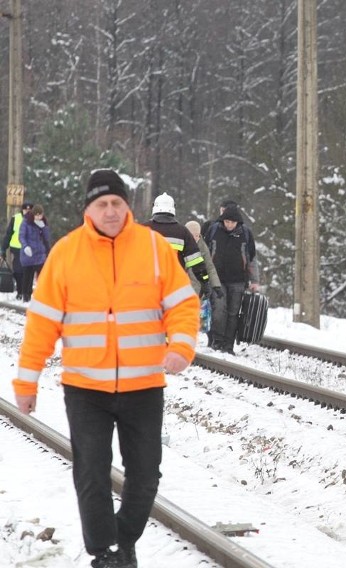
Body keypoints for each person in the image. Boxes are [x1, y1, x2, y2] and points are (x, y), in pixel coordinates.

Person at [12, 169, 200, 568]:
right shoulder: (66, 253)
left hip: (144, 385)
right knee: (92, 473)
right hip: (86, 388)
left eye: (117, 202)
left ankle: (124, 538)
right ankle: (105, 552)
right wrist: (27, 381)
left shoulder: (154, 248)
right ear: (89, 210)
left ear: (127, 206)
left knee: (146, 474)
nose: (111, 211)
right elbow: (42, 323)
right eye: (102, 204)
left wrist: (181, 346)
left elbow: (183, 304)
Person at [205, 204, 260, 354]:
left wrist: (254, 280)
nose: (229, 225)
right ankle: (217, 341)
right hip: (217, 279)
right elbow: (206, 253)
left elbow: (252, 258)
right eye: (226, 222)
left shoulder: (246, 234)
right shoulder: (214, 230)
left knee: (233, 313)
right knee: (219, 309)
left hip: (238, 280)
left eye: (232, 222)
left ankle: (228, 345)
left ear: (238, 222)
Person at [142, 193, 218, 299]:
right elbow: (196, 262)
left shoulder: (142, 230)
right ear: (173, 208)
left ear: (154, 207)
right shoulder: (183, 232)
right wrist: (205, 283)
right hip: (174, 286)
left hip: (147, 284)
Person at [17, 204, 51, 303]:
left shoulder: (43, 222)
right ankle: (26, 296)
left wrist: (43, 227)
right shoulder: (26, 222)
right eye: (36, 215)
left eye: (40, 215)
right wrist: (25, 246)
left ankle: (41, 296)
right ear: (33, 214)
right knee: (28, 276)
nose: (38, 217)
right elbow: (21, 236)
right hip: (28, 254)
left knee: (42, 276)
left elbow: (47, 238)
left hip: (40, 254)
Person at [1, 201, 33, 299]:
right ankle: (20, 291)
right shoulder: (16, 218)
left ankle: (27, 293)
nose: (27, 211)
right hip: (17, 249)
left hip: (30, 250)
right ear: (22, 210)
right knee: (18, 272)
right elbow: (8, 234)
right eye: (25, 209)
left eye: (29, 209)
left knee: (28, 271)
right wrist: (3, 249)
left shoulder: (35, 220)